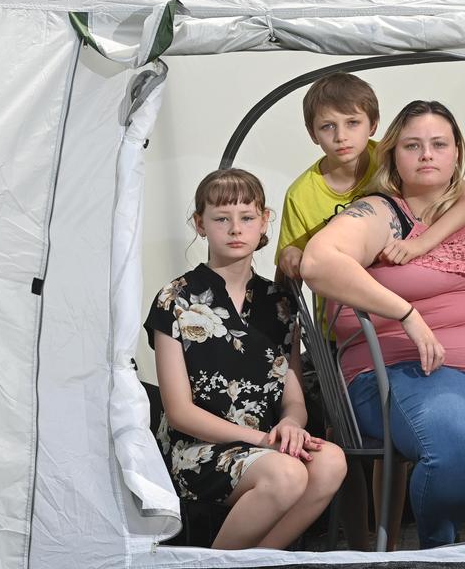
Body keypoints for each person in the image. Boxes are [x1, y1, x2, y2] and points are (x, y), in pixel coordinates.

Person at [299, 100, 465, 549]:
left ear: (457, 152)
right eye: (412, 145)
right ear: (392, 156)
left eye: (438, 144)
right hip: (413, 375)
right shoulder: (380, 213)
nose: (427, 154)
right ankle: (438, 552)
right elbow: (319, 261)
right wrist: (406, 313)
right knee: (461, 444)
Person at [145, 168, 346, 550]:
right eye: (222, 219)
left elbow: (293, 398)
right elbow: (180, 412)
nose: (235, 228)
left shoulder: (281, 303)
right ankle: (211, 564)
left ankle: (256, 560)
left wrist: (290, 425)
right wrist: (264, 441)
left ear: (264, 221)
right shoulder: (175, 299)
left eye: (247, 217)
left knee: (331, 461)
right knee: (286, 474)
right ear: (200, 224)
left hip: (267, 447)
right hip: (197, 451)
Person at [276, 72, 465, 280]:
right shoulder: (300, 195)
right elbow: (289, 264)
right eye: (327, 126)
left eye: (352, 123)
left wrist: (422, 243)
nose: (341, 136)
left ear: (374, 125)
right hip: (342, 300)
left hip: (407, 277)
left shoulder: (393, 158)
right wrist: (291, 255)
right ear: (313, 133)